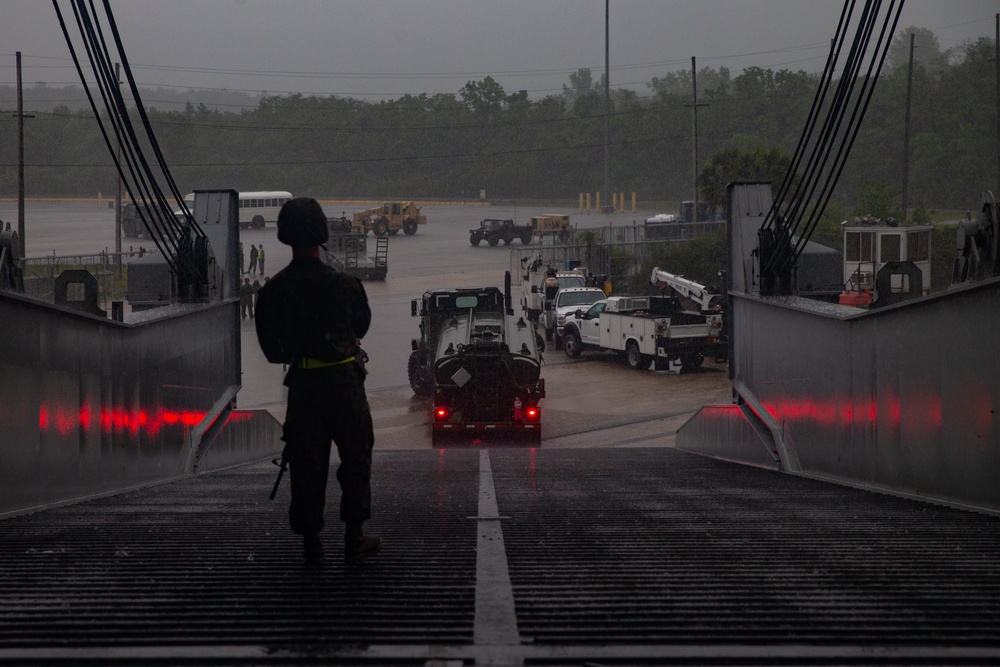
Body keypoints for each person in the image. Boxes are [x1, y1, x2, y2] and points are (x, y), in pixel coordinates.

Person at [254, 197, 380, 567]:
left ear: (284, 235)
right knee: (356, 458)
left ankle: (312, 544)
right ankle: (354, 539)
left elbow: (272, 351)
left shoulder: (273, 291)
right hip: (344, 381)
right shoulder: (344, 283)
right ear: (323, 235)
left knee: (307, 465)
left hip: (305, 383)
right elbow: (362, 327)